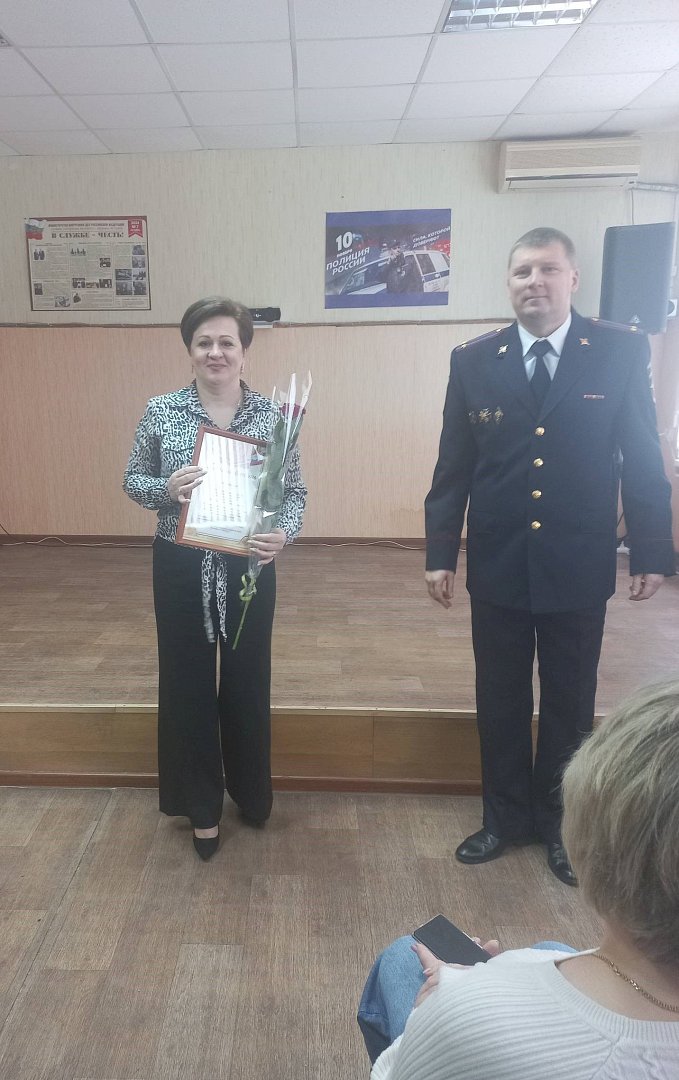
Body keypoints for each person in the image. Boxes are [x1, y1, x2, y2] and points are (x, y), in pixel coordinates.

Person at [424, 226, 674, 885]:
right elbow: (454, 466)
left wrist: (652, 550)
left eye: (547, 269)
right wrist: (440, 551)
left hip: (577, 559)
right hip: (499, 561)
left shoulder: (618, 351)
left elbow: (641, 455)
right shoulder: (475, 360)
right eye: (521, 272)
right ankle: (503, 819)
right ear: (508, 284)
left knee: (569, 699)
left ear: (572, 279)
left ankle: (561, 827)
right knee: (498, 697)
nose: (533, 281)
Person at [358, 679, 679, 1078]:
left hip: (463, 1027)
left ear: (588, 849)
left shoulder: (463, 1009)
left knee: (402, 957)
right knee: (549, 949)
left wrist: (441, 1006)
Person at [123, 297, 306, 860]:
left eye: (227, 342)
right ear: (190, 351)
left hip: (249, 565)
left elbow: (293, 494)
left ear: (244, 352)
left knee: (248, 681)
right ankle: (201, 808)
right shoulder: (162, 410)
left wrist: (283, 533)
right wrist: (166, 489)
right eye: (204, 342)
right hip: (180, 567)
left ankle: (251, 793)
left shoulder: (274, 417)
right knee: (187, 684)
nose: (215, 352)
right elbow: (133, 479)